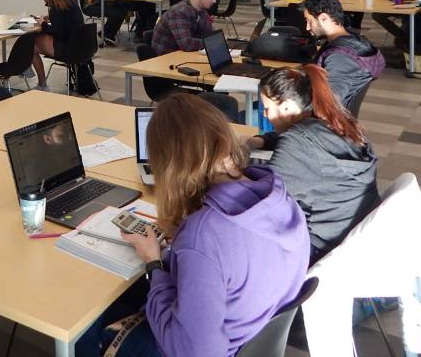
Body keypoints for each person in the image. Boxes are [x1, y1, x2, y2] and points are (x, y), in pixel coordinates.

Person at [76, 94, 309, 357]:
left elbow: (190, 351)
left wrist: (154, 261)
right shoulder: (278, 195)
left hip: (206, 348)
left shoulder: (203, 236)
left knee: (83, 324)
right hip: (249, 331)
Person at [252, 66, 379, 263]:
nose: (266, 115)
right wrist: (261, 141)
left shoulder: (298, 142)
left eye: (267, 108)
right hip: (349, 234)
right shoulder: (338, 123)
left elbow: (266, 196)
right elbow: (308, 148)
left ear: (286, 107)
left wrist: (230, 171)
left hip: (320, 249)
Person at [302, 0, 385, 112]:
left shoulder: (340, 57)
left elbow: (330, 101)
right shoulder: (355, 41)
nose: (307, 27)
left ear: (324, 18)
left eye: (309, 21)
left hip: (325, 124)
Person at [30, 0, 84, 90]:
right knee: (37, 40)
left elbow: (58, 33)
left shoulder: (56, 6)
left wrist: (43, 24)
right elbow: (65, 21)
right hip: (81, 45)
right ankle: (31, 75)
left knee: (31, 46)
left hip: (68, 48)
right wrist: (51, 18)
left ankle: (42, 84)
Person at [151, 0, 217, 55]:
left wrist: (215, 40)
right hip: (166, 60)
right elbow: (187, 44)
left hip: (183, 56)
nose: (214, 0)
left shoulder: (201, 9)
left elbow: (209, 33)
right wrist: (213, 42)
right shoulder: (179, 12)